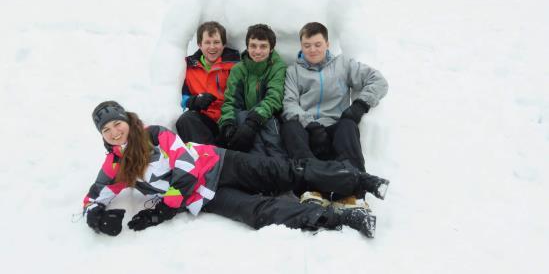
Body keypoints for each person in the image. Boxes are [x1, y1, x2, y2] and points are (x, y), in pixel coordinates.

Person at [83, 101, 390, 238]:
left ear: (127, 120)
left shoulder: (154, 135)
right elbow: (95, 196)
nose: (114, 132)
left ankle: (359, 180)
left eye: (117, 123)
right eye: (106, 129)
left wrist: (164, 207)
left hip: (221, 163)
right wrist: (96, 218)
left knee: (286, 172)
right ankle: (345, 217)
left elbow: (186, 169)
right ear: (102, 135)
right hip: (206, 196)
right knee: (260, 213)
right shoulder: (114, 166)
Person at [281, 22, 389, 208]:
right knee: (290, 127)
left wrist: (359, 105)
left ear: (327, 44)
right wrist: (310, 124)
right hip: (308, 128)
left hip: (336, 124)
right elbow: (289, 103)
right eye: (307, 46)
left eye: (317, 44)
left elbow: (378, 81)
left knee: (348, 127)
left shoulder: (343, 64)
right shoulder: (294, 71)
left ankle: (352, 192)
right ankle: (310, 189)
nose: (312, 50)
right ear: (301, 46)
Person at [217, 24, 287, 158]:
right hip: (244, 120)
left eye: (263, 46)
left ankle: (277, 166)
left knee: (271, 140)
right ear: (247, 47)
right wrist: (228, 124)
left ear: (271, 48)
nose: (258, 51)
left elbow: (274, 97)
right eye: (253, 46)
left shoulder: (277, 67)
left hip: (269, 118)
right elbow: (231, 101)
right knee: (240, 122)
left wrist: (253, 121)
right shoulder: (238, 70)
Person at [175, 21, 240, 144]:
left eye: (216, 42)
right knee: (185, 120)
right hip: (205, 122)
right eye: (207, 42)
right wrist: (194, 101)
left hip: (229, 120)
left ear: (224, 44)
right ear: (199, 44)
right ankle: (206, 157)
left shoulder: (234, 65)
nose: (212, 47)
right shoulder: (189, 66)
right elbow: (181, 97)